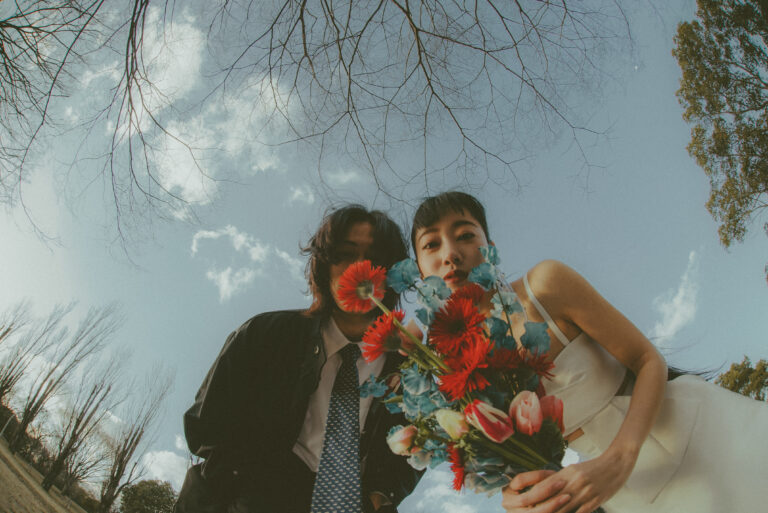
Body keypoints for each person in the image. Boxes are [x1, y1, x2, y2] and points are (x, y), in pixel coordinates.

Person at [410, 191, 768, 513]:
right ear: (419, 271)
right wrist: (515, 495)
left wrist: (619, 460)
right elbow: (515, 454)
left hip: (696, 437)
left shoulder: (543, 286)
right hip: (618, 492)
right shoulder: (453, 369)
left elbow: (647, 360)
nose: (450, 254)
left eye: (465, 235)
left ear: (490, 246)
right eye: (431, 245)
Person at [175, 205, 423, 513]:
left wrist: (378, 496)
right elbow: (208, 423)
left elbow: (417, 447)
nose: (360, 268)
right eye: (345, 254)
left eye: (375, 259)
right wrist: (243, 488)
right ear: (323, 265)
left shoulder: (410, 367)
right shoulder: (266, 334)